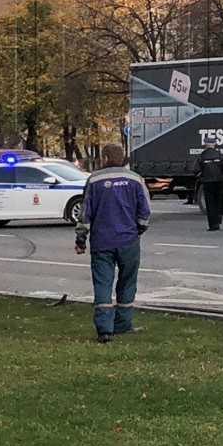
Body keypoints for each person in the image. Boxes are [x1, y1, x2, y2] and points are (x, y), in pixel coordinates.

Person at [75, 143, 152, 343]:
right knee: (127, 283)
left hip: (102, 242)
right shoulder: (135, 179)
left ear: (106, 158)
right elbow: (145, 211)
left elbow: (85, 214)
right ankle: (123, 325)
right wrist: (138, 230)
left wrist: (81, 239)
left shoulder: (94, 180)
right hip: (128, 241)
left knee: (103, 284)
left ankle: (104, 330)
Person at [191, 141, 223, 232]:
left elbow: (195, 169)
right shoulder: (219, 155)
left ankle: (212, 225)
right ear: (214, 145)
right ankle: (217, 222)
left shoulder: (202, 156)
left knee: (210, 204)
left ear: (206, 145)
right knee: (218, 202)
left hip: (207, 182)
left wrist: (201, 176)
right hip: (218, 182)